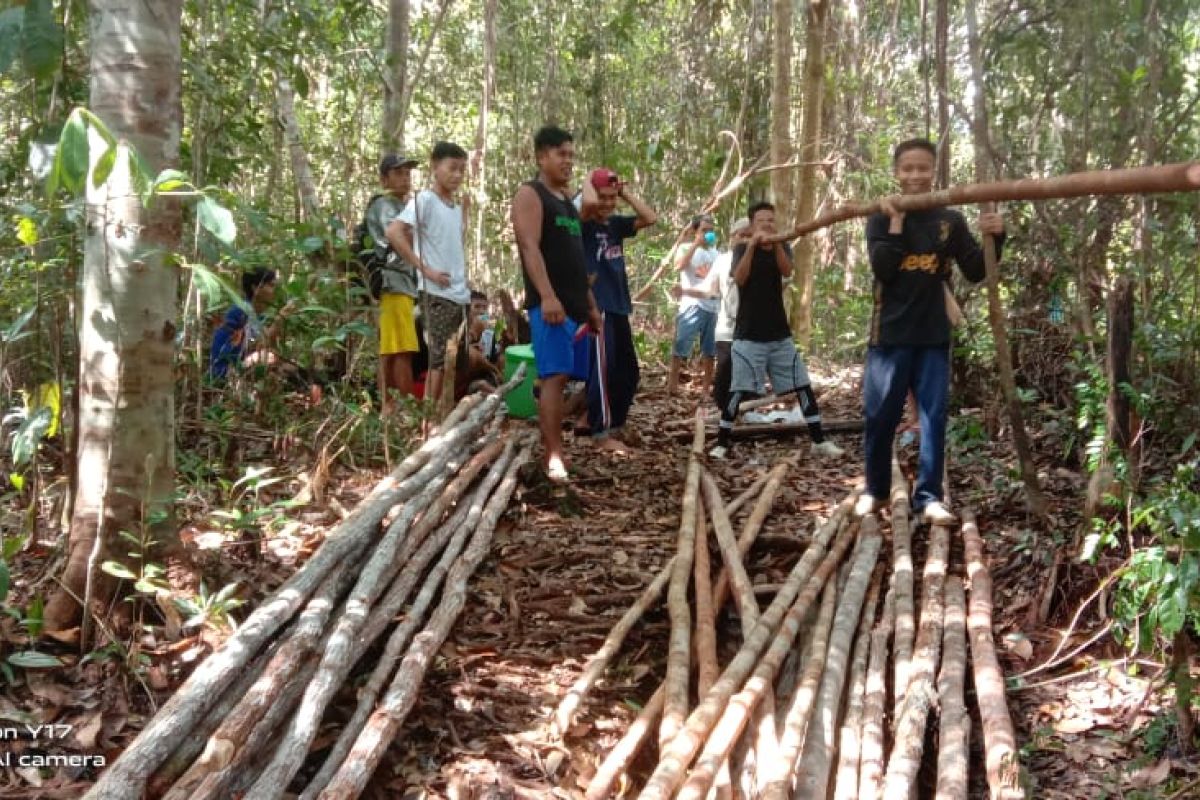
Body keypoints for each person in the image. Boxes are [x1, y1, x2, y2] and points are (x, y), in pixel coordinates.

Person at [856, 137, 1005, 524]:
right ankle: (875, 490)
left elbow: (975, 270)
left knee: (934, 416)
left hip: (933, 335)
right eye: (908, 168)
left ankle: (928, 497)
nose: (916, 175)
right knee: (880, 415)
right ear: (896, 173)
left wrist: (995, 236)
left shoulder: (949, 221)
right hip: (888, 334)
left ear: (934, 171)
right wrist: (895, 222)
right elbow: (884, 269)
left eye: (923, 168)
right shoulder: (878, 216)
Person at [710, 202, 844, 461]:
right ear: (752, 224)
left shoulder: (782, 246)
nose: (767, 225)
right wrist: (751, 245)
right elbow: (739, 278)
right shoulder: (740, 248)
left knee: (802, 386)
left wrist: (776, 244)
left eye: (771, 220)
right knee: (738, 390)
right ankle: (722, 444)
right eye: (762, 221)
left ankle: (819, 441)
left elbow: (787, 271)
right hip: (748, 335)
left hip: (779, 335)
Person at [510, 125, 603, 480]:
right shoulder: (530, 194)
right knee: (553, 376)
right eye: (561, 154)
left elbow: (576, 259)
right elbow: (529, 246)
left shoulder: (565, 200)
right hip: (551, 307)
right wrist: (547, 295)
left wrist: (591, 306)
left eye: (571, 155)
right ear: (541, 156)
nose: (568, 161)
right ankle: (553, 456)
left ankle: (557, 448)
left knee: (566, 378)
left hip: (575, 307)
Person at [576, 167, 658, 451]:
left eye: (613, 198)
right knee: (603, 370)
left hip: (619, 305)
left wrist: (624, 193)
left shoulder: (615, 225)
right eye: (604, 197)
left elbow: (650, 218)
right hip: (597, 307)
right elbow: (585, 204)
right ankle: (600, 433)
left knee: (629, 372)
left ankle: (615, 425)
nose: (608, 204)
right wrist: (588, 181)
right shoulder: (583, 223)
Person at [389, 141, 472, 407]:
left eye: (462, 170)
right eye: (452, 168)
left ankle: (441, 414)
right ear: (435, 167)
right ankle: (427, 420)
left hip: (458, 294)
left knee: (453, 361)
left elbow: (449, 244)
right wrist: (424, 268)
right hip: (437, 293)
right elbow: (394, 232)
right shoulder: (424, 200)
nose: (457, 175)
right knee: (437, 360)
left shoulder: (455, 208)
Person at [369, 153, 421, 411]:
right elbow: (404, 238)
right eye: (398, 173)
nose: (405, 178)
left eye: (407, 173)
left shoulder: (400, 207)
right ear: (384, 178)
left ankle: (390, 407)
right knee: (401, 348)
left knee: (394, 346)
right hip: (393, 281)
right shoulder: (385, 205)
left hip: (402, 283)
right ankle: (401, 408)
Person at [668, 214, 720, 394]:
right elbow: (678, 267)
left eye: (711, 230)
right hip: (691, 305)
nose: (708, 234)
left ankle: (706, 389)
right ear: (695, 231)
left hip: (713, 307)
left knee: (710, 350)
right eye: (704, 230)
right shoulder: (684, 248)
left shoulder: (716, 253)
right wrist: (696, 244)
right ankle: (672, 387)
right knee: (681, 344)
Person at [707, 217, 751, 414]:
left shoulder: (760, 259)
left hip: (752, 328)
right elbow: (713, 290)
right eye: (741, 235)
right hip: (727, 326)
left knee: (749, 370)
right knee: (725, 370)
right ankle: (723, 409)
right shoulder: (722, 260)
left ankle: (746, 409)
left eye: (750, 236)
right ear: (733, 237)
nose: (745, 240)